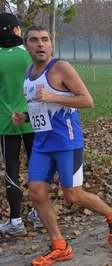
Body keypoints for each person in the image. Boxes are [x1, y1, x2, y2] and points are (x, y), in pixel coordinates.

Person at [13, 26, 112, 265]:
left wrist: (54, 96)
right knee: (36, 193)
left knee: (73, 195)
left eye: (45, 40)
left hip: (67, 142)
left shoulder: (61, 68)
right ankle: (59, 245)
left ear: (51, 45)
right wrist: (25, 116)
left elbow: (87, 100)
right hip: (42, 144)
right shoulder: (28, 71)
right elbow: (39, 107)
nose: (40, 44)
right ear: (27, 45)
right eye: (34, 40)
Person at [0, 12, 42, 236]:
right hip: (33, 118)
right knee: (37, 165)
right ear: (16, 31)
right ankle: (38, 212)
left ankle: (15, 221)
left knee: (12, 168)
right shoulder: (30, 55)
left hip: (6, 123)